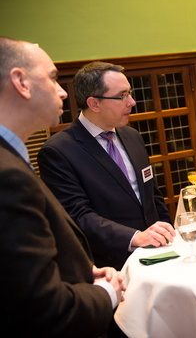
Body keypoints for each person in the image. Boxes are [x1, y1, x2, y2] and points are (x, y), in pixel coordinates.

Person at [0, 37, 126, 337]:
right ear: (21, 82)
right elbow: (41, 309)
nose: (61, 91)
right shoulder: (8, 176)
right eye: (53, 78)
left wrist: (82, 274)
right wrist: (107, 293)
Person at [38, 61, 175, 270]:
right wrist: (135, 237)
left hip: (159, 254)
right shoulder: (59, 151)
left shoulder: (132, 136)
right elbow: (78, 216)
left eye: (130, 93)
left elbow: (152, 195)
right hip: (110, 266)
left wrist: (168, 235)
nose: (132, 102)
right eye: (122, 96)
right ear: (94, 104)